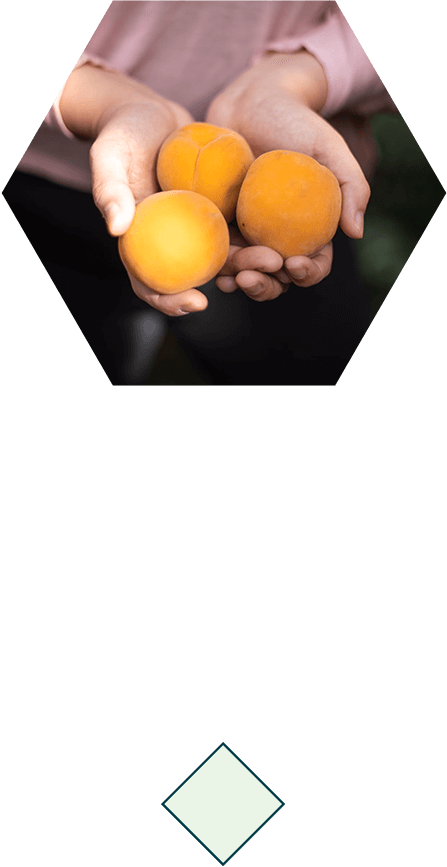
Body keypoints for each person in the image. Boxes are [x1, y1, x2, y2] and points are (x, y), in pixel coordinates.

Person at [4, 0, 398, 385]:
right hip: (44, 194)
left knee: (306, 363)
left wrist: (306, 75)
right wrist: (94, 101)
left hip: (273, 201)